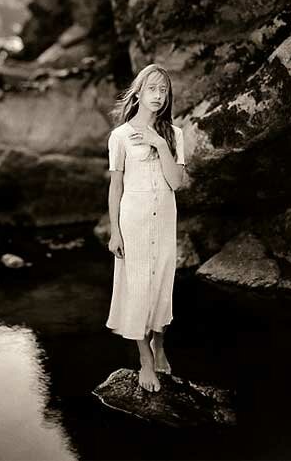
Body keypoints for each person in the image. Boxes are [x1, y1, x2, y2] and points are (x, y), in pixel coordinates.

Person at [106, 63, 185, 393]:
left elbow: (177, 183)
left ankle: (160, 345)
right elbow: (116, 187)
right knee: (137, 290)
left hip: (165, 220)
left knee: (162, 286)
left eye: (163, 90)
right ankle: (145, 362)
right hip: (133, 221)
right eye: (152, 89)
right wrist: (115, 231)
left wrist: (159, 143)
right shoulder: (120, 136)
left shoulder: (174, 134)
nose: (158, 95)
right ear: (138, 92)